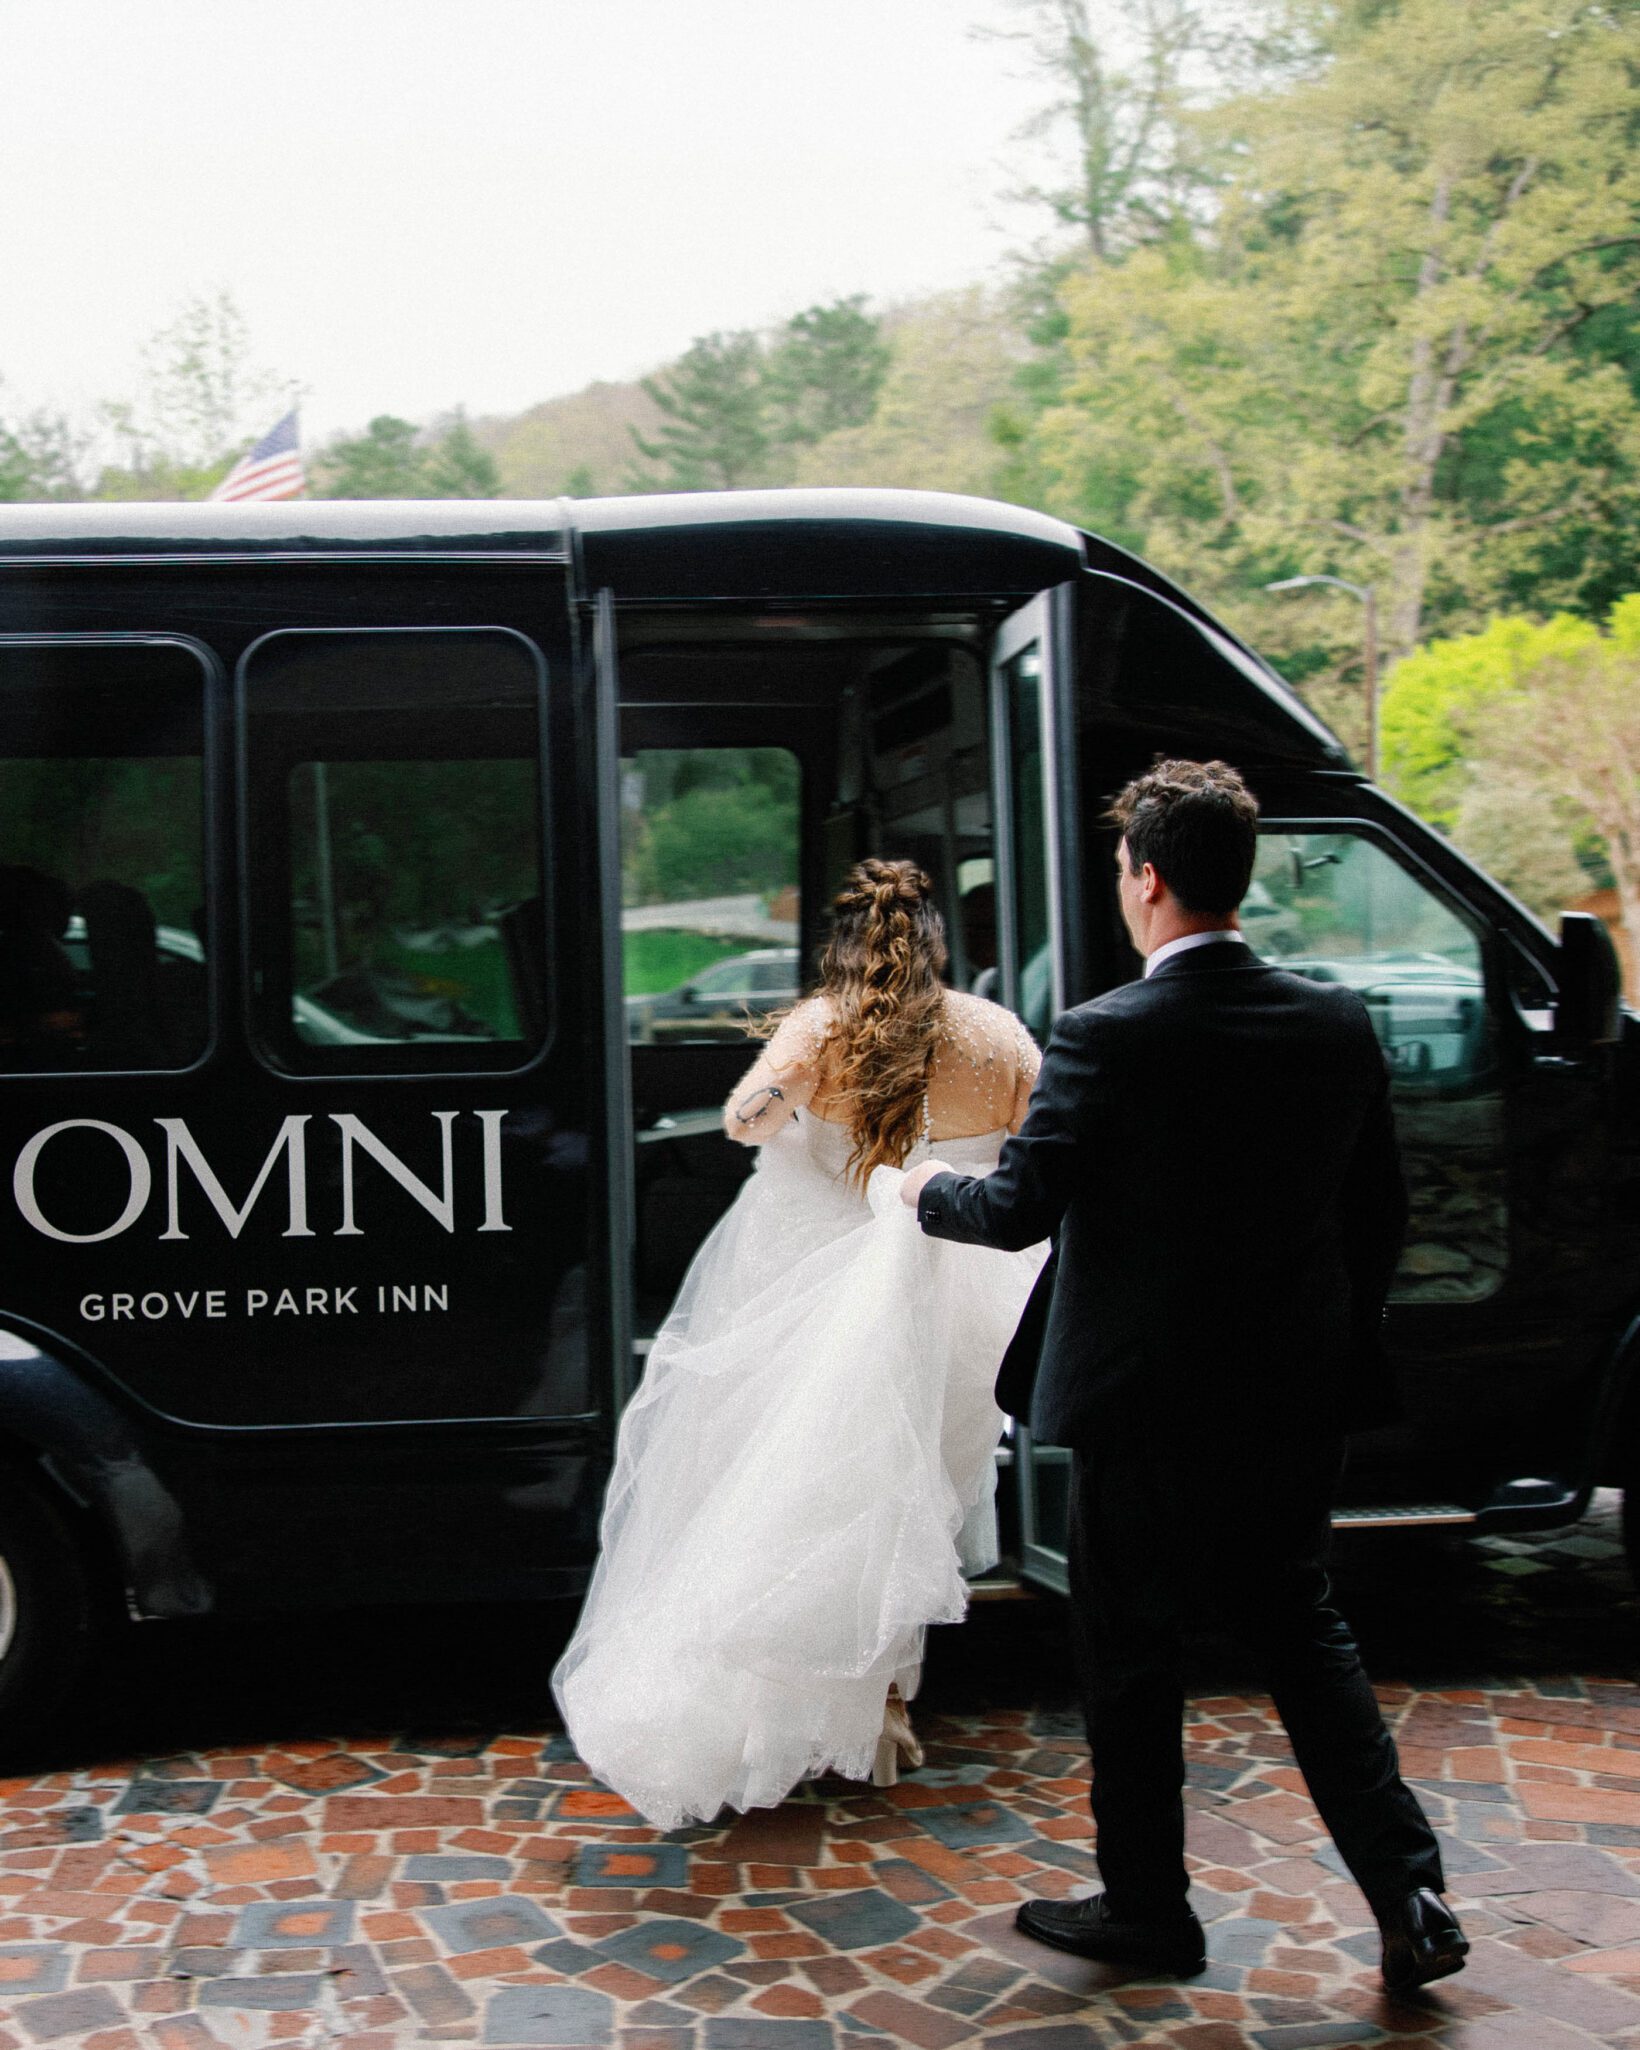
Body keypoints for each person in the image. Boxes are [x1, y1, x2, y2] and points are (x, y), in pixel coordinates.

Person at [901, 759, 1467, 1997]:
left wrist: (923, 1190)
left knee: (1130, 1653)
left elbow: (1014, 1208)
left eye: (1121, 870)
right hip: (1290, 1396)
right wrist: (1321, 1336)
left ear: (1147, 878)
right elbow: (1376, 1214)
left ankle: (1148, 1908)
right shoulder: (1332, 1022)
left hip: (1141, 1405)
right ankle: (1409, 1893)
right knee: (1301, 1630)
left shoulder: (1104, 1032)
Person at [554, 858, 1049, 1830]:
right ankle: (883, 1705)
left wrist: (794, 1093)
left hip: (814, 1307)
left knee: (808, 1498)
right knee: (916, 1499)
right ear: (937, 941)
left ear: (842, 946)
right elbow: (1034, 1162)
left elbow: (745, 1124)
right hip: (961, 1313)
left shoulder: (820, 1028)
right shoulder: (996, 1037)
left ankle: (809, 1699)